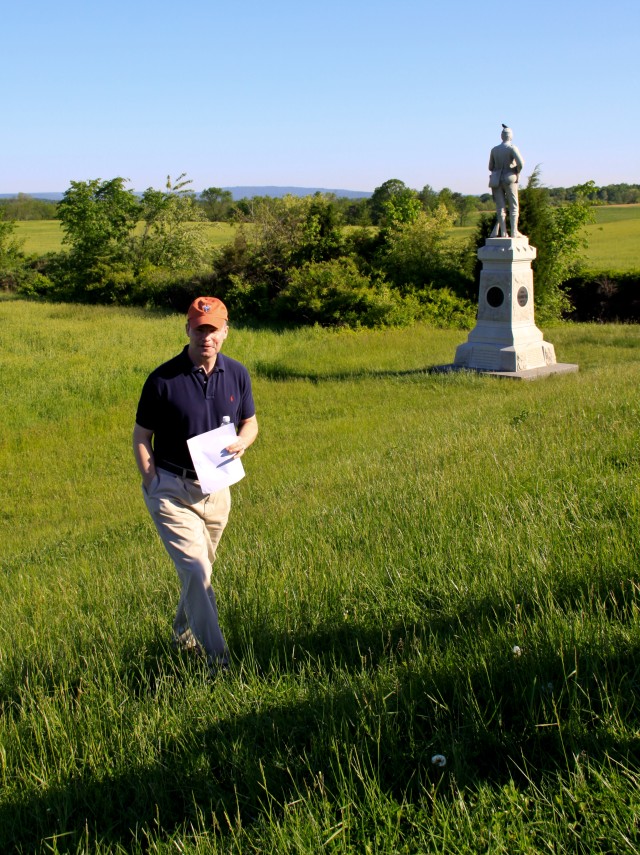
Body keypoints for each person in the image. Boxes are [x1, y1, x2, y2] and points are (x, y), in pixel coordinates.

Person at [133, 296, 258, 675]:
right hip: (172, 490)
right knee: (198, 571)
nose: (207, 336)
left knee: (201, 571)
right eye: (199, 328)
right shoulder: (162, 379)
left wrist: (244, 441)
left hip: (217, 490)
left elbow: (250, 422)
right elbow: (141, 436)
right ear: (188, 329)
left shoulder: (237, 374)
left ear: (225, 332)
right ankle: (219, 663)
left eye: (213, 329)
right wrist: (152, 482)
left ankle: (182, 635)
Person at [488, 124, 524, 237]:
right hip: (509, 178)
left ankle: (503, 232)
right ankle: (514, 231)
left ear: (501, 136)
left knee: (500, 207)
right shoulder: (512, 148)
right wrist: (516, 170)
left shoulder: (494, 149)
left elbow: (490, 167)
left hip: (497, 180)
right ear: (511, 136)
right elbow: (521, 163)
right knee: (514, 205)